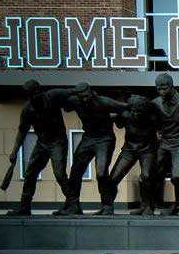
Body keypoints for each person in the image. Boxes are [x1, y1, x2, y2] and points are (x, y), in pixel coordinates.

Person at [54, 83, 128, 215]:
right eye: (82, 97)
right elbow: (62, 104)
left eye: (87, 96)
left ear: (92, 92)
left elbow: (125, 107)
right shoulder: (75, 101)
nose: (85, 99)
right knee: (76, 171)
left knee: (101, 173)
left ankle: (107, 206)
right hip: (88, 138)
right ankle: (73, 205)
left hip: (105, 139)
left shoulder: (104, 101)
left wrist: (117, 119)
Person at [6, 80, 75, 215]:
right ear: (29, 95)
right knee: (30, 173)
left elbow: (72, 90)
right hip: (42, 143)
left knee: (60, 174)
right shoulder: (27, 110)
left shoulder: (52, 96)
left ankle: (73, 204)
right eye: (31, 94)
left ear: (40, 90)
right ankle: (24, 207)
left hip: (58, 142)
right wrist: (14, 151)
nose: (35, 95)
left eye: (37, 92)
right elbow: (22, 132)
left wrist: (85, 91)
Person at [103, 95, 159, 215]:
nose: (135, 114)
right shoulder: (126, 115)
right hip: (129, 149)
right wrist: (116, 117)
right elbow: (118, 124)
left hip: (148, 150)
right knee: (113, 178)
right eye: (133, 110)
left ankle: (147, 206)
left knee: (146, 177)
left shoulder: (153, 118)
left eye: (139, 111)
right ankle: (107, 206)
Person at [152, 74, 179, 216]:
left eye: (164, 88)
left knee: (177, 176)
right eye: (158, 89)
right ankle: (151, 204)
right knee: (151, 172)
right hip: (165, 142)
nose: (161, 92)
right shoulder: (155, 103)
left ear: (171, 86)